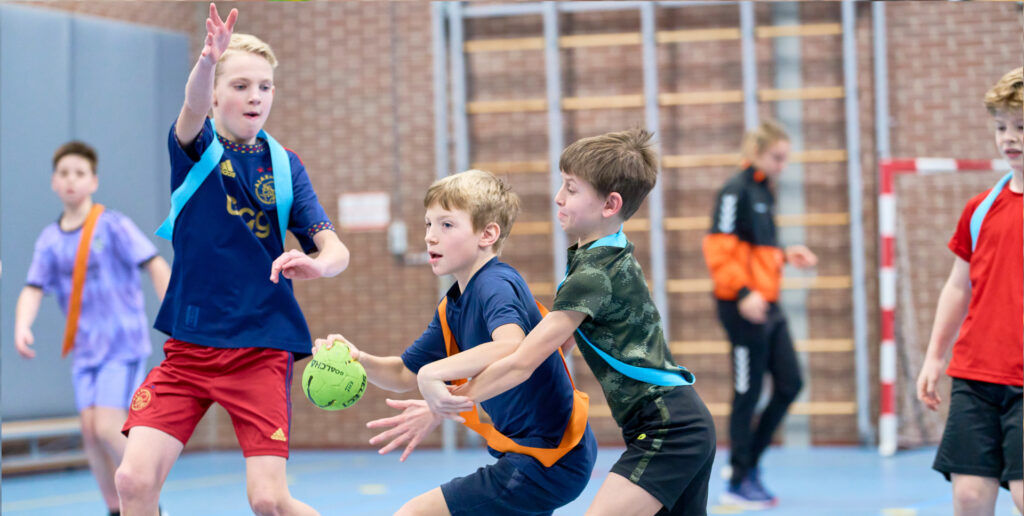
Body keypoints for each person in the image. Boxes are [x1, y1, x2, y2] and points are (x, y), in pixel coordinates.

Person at [113, 5, 350, 515]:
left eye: (264, 87)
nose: (255, 97)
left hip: (260, 346)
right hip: (190, 348)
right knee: (132, 480)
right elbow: (192, 107)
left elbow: (333, 245)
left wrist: (320, 263)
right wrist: (207, 61)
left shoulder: (285, 165)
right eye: (240, 85)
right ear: (217, 92)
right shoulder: (196, 148)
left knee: (268, 500)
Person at [423, 129, 715, 516]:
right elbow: (558, 349)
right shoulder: (598, 251)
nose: (558, 197)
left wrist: (440, 390)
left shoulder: (592, 274)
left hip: (668, 430)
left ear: (610, 204)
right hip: (677, 423)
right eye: (562, 184)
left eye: (572, 189)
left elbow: (523, 360)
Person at [315, 169, 597, 516]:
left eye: (446, 225)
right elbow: (404, 373)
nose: (431, 237)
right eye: (428, 225)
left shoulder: (495, 283)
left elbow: (512, 345)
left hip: (547, 459)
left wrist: (431, 375)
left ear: (487, 234)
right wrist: (360, 359)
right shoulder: (453, 305)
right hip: (537, 455)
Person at [14, 140, 171, 516]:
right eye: (64, 173)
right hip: (85, 351)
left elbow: (154, 264)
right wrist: (22, 324)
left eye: (79, 173)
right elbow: (33, 289)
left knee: (105, 426)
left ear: (93, 181)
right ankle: (116, 508)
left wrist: (174, 313)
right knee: (88, 431)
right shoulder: (50, 241)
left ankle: (146, 487)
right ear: (54, 181)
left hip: (122, 344)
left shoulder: (113, 225)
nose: (71, 180)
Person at [916, 67, 1023, 516]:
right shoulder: (979, 209)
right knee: (968, 497)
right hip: (977, 377)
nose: (1008, 137)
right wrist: (935, 357)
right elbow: (958, 286)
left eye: (1020, 126)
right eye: (1001, 126)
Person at [701, 120, 815, 509]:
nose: (783, 165)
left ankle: (748, 466)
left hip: (768, 304)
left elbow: (756, 252)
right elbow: (719, 249)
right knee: (747, 393)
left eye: (785, 158)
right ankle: (737, 476)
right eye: (777, 157)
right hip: (742, 306)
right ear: (757, 152)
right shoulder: (735, 190)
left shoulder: (764, 190)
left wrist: (785, 255)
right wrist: (744, 292)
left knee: (790, 384)